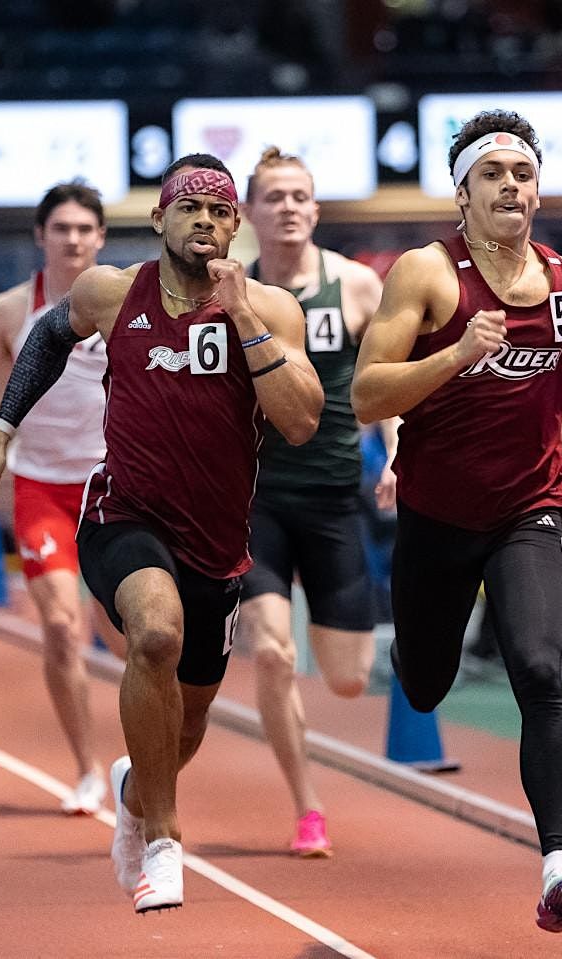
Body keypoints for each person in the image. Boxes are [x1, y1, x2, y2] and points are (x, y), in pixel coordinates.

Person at [0, 155, 323, 913]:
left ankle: (134, 795)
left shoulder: (270, 308)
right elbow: (46, 340)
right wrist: (2, 429)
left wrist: (246, 315)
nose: (205, 220)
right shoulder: (110, 292)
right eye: (188, 206)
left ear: (237, 227)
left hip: (218, 544)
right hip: (123, 514)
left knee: (186, 723)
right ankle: (163, 839)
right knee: (153, 634)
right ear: (159, 219)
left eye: (220, 211)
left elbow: (299, 419)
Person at [351, 110, 562, 934]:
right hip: (437, 517)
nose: (512, 186)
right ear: (463, 193)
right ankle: (415, 649)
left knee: (539, 668)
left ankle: (560, 865)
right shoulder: (427, 275)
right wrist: (455, 353)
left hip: (529, 507)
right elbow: (367, 393)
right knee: (425, 682)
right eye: (494, 175)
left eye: (523, 172)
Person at [0, 181, 127, 816]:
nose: (74, 239)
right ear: (41, 236)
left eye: (85, 229)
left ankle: (143, 756)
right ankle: (87, 770)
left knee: (127, 637)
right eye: (62, 229)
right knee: (59, 626)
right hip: (41, 487)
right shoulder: (10, 309)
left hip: (113, 486)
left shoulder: (124, 300)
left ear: (101, 237)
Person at [240, 146, 388, 857]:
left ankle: (308, 704)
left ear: (317, 209)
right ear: (250, 212)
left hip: (334, 498)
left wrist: (398, 447)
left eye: (300, 195)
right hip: (257, 501)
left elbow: (391, 377)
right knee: (271, 652)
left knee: (350, 679)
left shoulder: (356, 286)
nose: (289, 207)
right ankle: (308, 807)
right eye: (274, 197)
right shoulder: (231, 296)